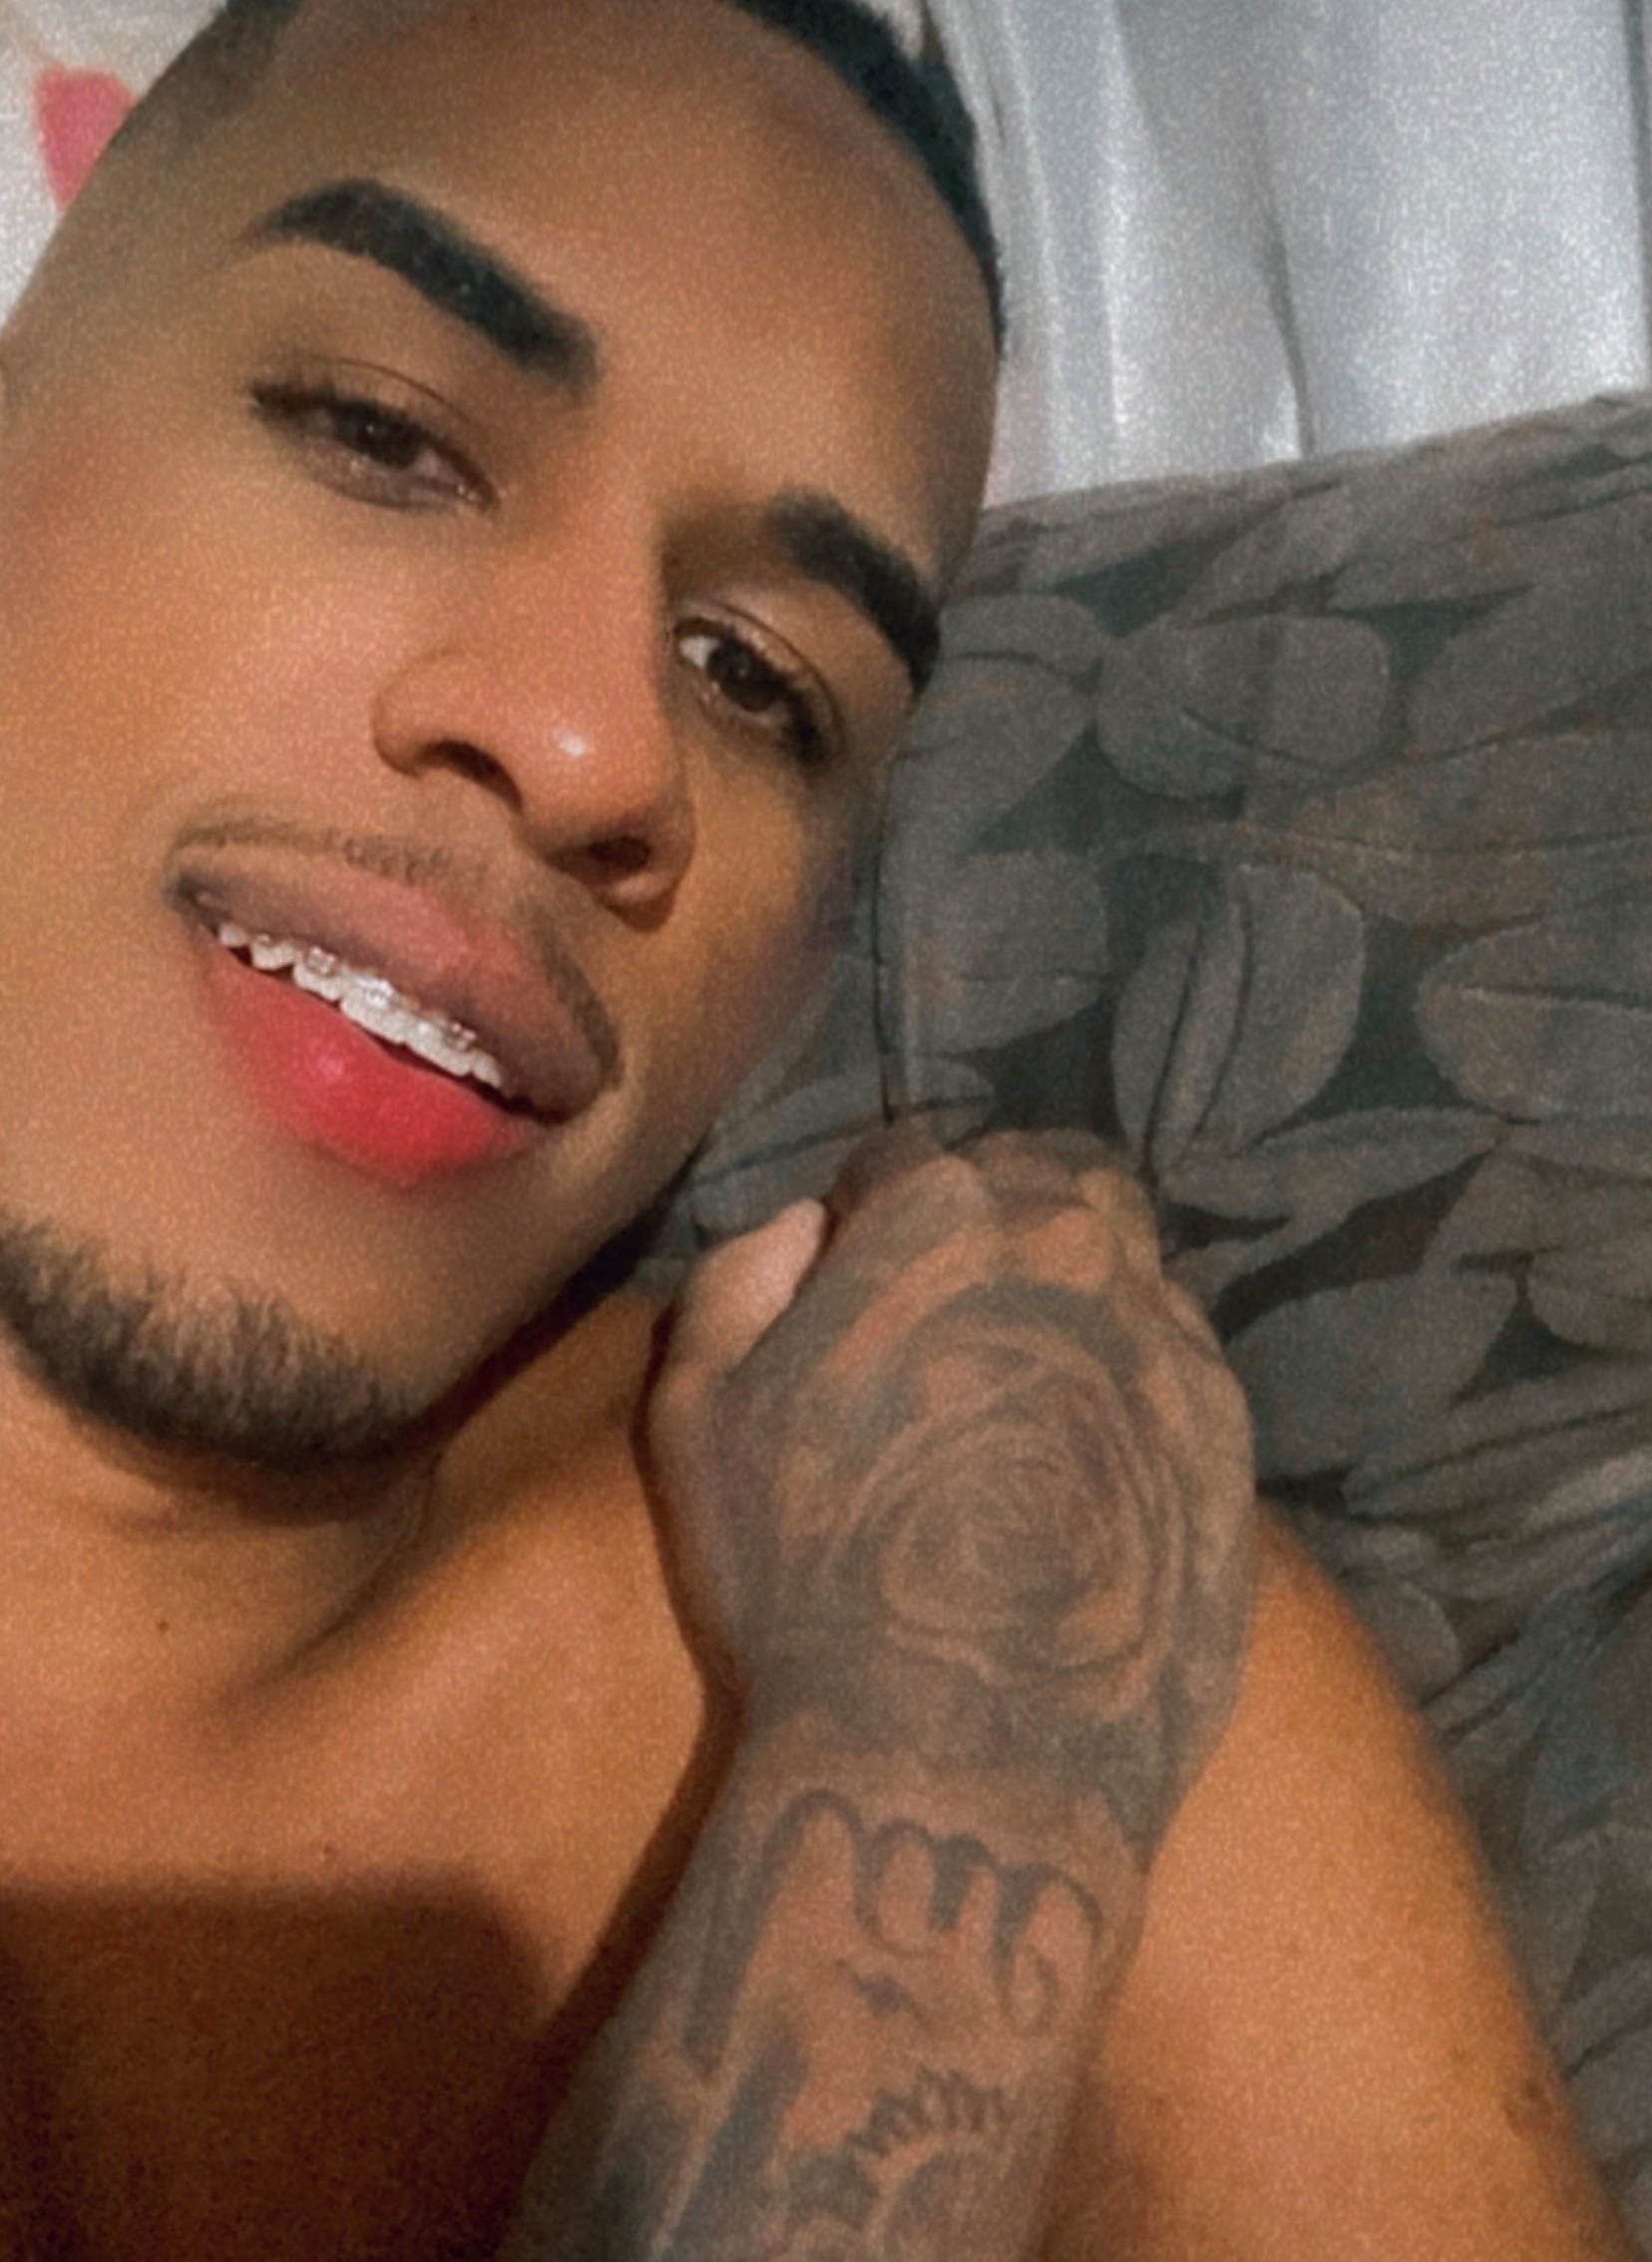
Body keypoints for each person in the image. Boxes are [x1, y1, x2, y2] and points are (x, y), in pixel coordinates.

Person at [0, 1, 1632, 2257]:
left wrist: (952, 1750)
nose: (598, 750)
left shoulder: (1064, 1625)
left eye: (761, 683)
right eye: (383, 435)